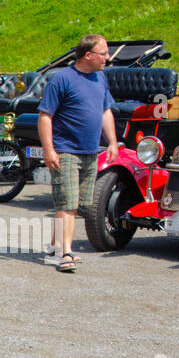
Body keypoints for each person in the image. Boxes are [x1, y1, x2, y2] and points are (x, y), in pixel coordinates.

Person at [38, 34, 119, 272]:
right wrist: (49, 149)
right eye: (103, 53)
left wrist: (113, 142)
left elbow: (106, 112)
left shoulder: (100, 78)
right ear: (88, 55)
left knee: (76, 203)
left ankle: (54, 245)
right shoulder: (61, 79)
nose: (107, 58)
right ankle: (66, 253)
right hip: (66, 151)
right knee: (68, 203)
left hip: (90, 150)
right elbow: (45, 116)